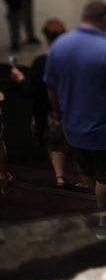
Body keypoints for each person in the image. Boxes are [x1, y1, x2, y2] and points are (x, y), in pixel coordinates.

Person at [44, 0, 106, 207]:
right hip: (104, 133)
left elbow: (51, 88)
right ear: (105, 20)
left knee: (87, 170)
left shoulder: (59, 46)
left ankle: (98, 199)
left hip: (73, 129)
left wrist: (58, 113)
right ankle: (104, 216)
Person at [10, 19, 67, 187]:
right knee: (73, 146)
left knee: (54, 143)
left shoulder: (42, 62)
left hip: (49, 113)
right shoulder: (74, 60)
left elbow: (30, 91)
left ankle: (60, 176)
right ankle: (87, 181)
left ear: (46, 38)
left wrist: (19, 78)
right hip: (74, 111)